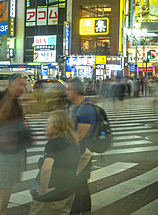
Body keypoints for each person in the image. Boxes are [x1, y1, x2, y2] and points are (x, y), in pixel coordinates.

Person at [30, 111, 93, 215]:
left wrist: (44, 190)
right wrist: (76, 171)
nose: (45, 126)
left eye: (48, 123)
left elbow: (47, 168)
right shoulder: (73, 142)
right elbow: (87, 155)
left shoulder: (53, 144)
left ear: (57, 128)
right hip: (67, 192)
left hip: (50, 197)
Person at [0, 74, 30, 215]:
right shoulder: (2, 98)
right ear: (10, 84)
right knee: (3, 182)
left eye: (24, 85)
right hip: (7, 148)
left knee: (7, 181)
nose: (23, 88)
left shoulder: (16, 101)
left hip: (16, 147)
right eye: (20, 84)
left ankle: (1, 211)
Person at [68, 79, 106, 214]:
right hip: (77, 153)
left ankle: (82, 211)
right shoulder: (77, 107)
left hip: (83, 154)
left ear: (76, 91)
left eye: (69, 90)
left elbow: (80, 136)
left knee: (80, 185)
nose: (66, 93)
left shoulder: (86, 109)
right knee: (79, 185)